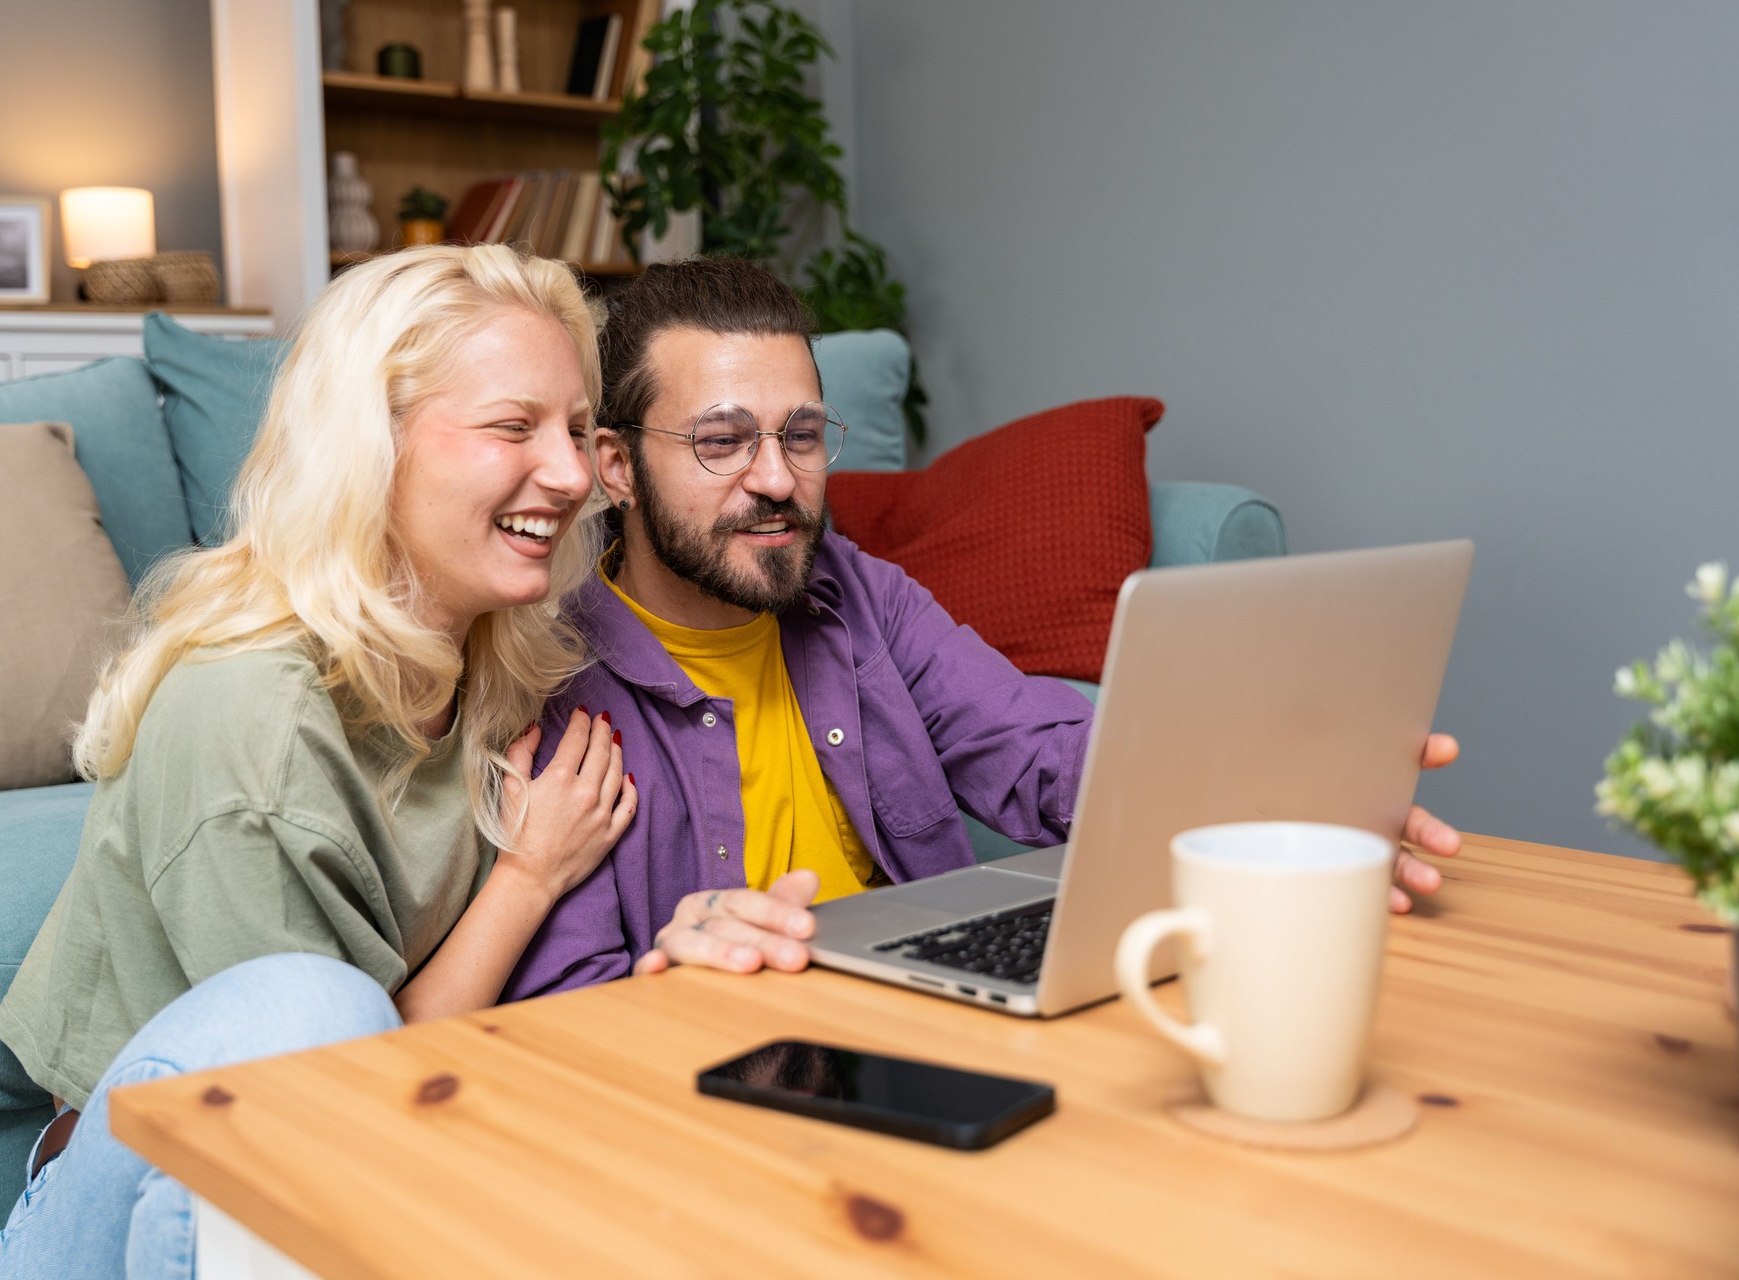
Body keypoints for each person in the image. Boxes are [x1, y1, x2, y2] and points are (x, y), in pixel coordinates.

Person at [500, 256, 1461, 999]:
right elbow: (551, 1015)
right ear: (616, 468)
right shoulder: (551, 679)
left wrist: (1298, 799)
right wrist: (669, 974)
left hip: (933, 1016)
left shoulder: (858, 596)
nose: (777, 479)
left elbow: (1049, 756)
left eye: (800, 434)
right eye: (721, 440)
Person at [0, 244, 635, 1279]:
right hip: (120, 1219)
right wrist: (529, 876)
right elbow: (340, 1088)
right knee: (310, 1006)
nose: (569, 472)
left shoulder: (492, 648)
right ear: (371, 446)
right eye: (514, 425)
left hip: (294, 1181)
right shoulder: (255, 717)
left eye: (573, 427)